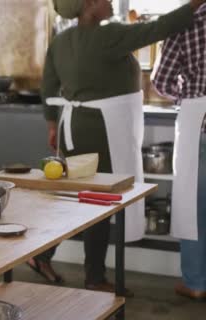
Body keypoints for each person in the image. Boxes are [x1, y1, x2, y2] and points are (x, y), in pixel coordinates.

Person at [35, 0, 206, 294]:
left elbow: (48, 86)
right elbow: (158, 28)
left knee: (78, 201)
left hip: (73, 127)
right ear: (89, 5)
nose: (111, 1)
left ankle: (44, 256)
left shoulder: (61, 41)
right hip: (101, 129)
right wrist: (194, 4)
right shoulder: (108, 35)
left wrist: (53, 125)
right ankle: (94, 277)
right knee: (97, 203)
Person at [152, 2, 206, 300]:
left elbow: (160, 80)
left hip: (198, 119)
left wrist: (184, 93)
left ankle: (196, 282)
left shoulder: (184, 24)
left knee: (194, 204)